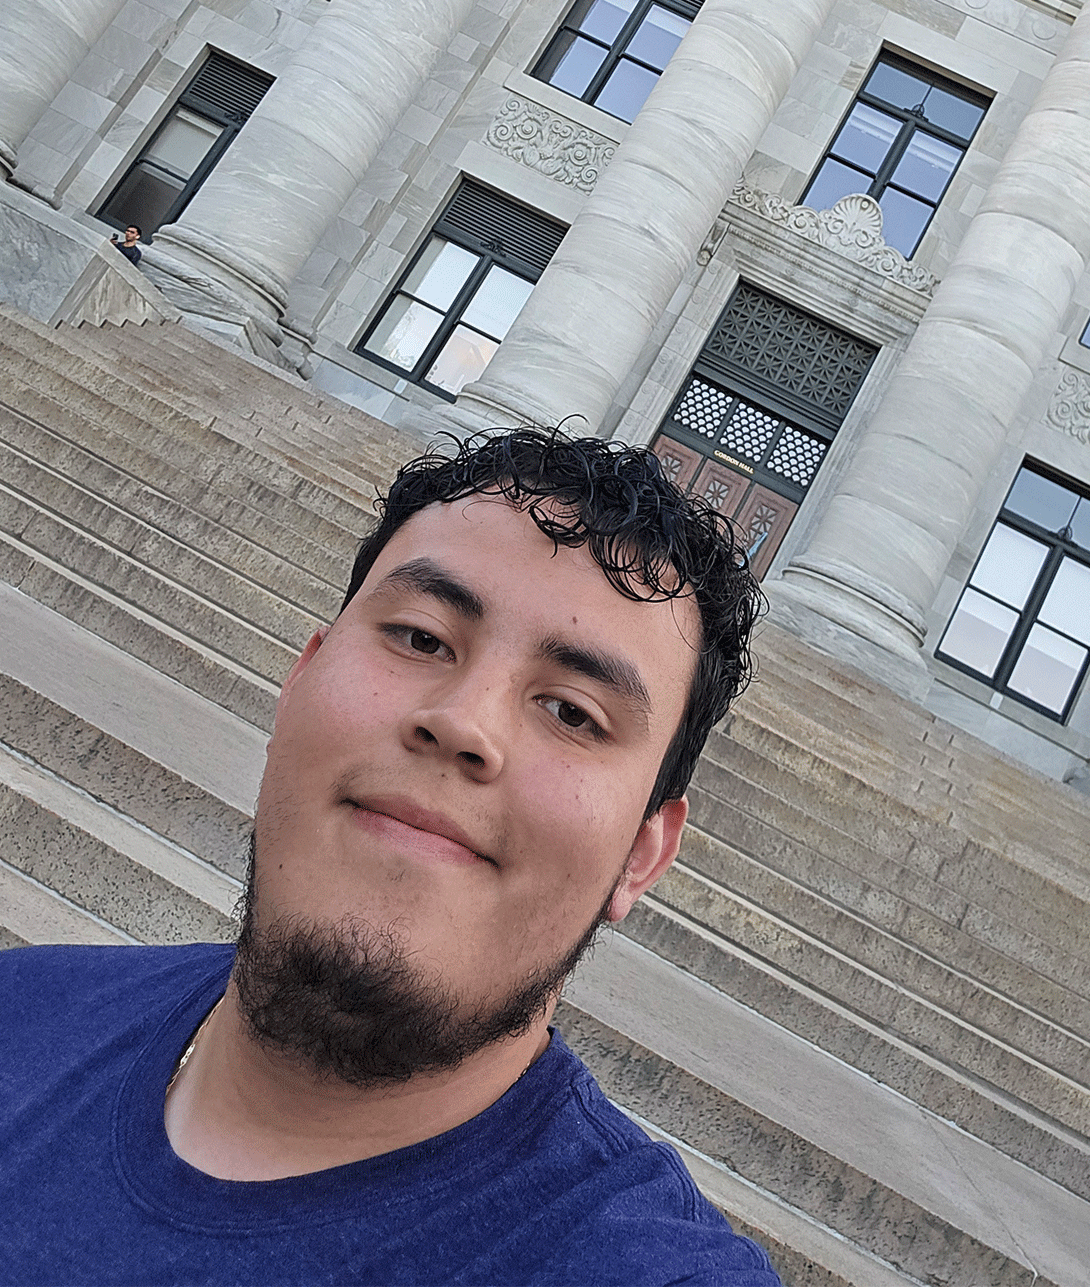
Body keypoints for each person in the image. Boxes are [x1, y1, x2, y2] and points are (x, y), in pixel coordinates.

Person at [0, 428, 779, 1286]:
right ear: (300, 680)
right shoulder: (24, 1007)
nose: (463, 722)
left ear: (642, 854)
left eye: (571, 712)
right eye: (419, 638)